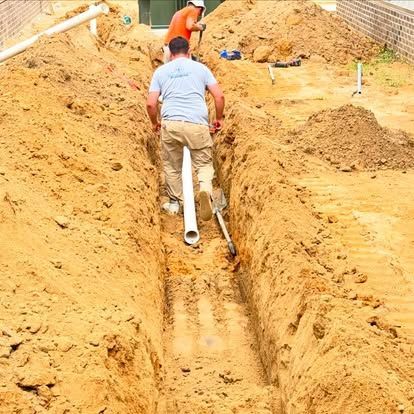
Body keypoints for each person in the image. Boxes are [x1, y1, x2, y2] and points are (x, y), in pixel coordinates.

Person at [146, 36, 225, 221]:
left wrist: (154, 123)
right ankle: (205, 190)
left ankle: (176, 203)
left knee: (172, 167)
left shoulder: (161, 72)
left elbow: (151, 104)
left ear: (170, 54)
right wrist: (219, 118)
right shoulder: (201, 68)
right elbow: (219, 97)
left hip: (171, 124)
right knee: (204, 164)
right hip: (197, 124)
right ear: (189, 52)